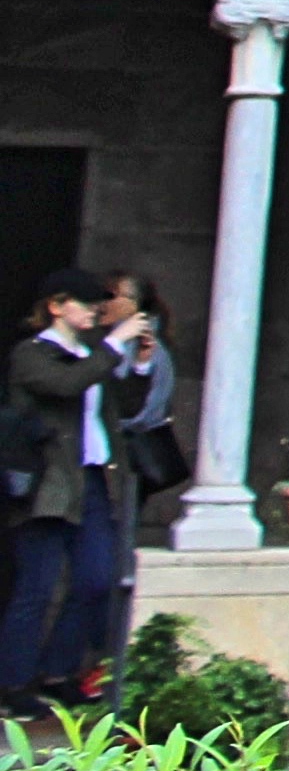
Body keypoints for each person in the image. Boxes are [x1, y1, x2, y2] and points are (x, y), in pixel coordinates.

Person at [0, 275, 109, 707]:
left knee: (95, 580)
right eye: (85, 303)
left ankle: (57, 670)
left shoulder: (93, 354)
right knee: (36, 586)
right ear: (57, 306)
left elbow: (132, 408)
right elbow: (65, 385)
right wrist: (113, 348)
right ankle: (15, 683)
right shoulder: (32, 354)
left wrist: (137, 362)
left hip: (94, 477)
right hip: (47, 484)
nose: (94, 311)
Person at [71, 275, 177, 698]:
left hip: (125, 470)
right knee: (92, 572)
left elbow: (142, 411)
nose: (105, 302)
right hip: (92, 466)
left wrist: (138, 362)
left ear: (138, 307)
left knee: (109, 570)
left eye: (115, 296)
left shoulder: (146, 351)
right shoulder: (98, 346)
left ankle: (104, 666)